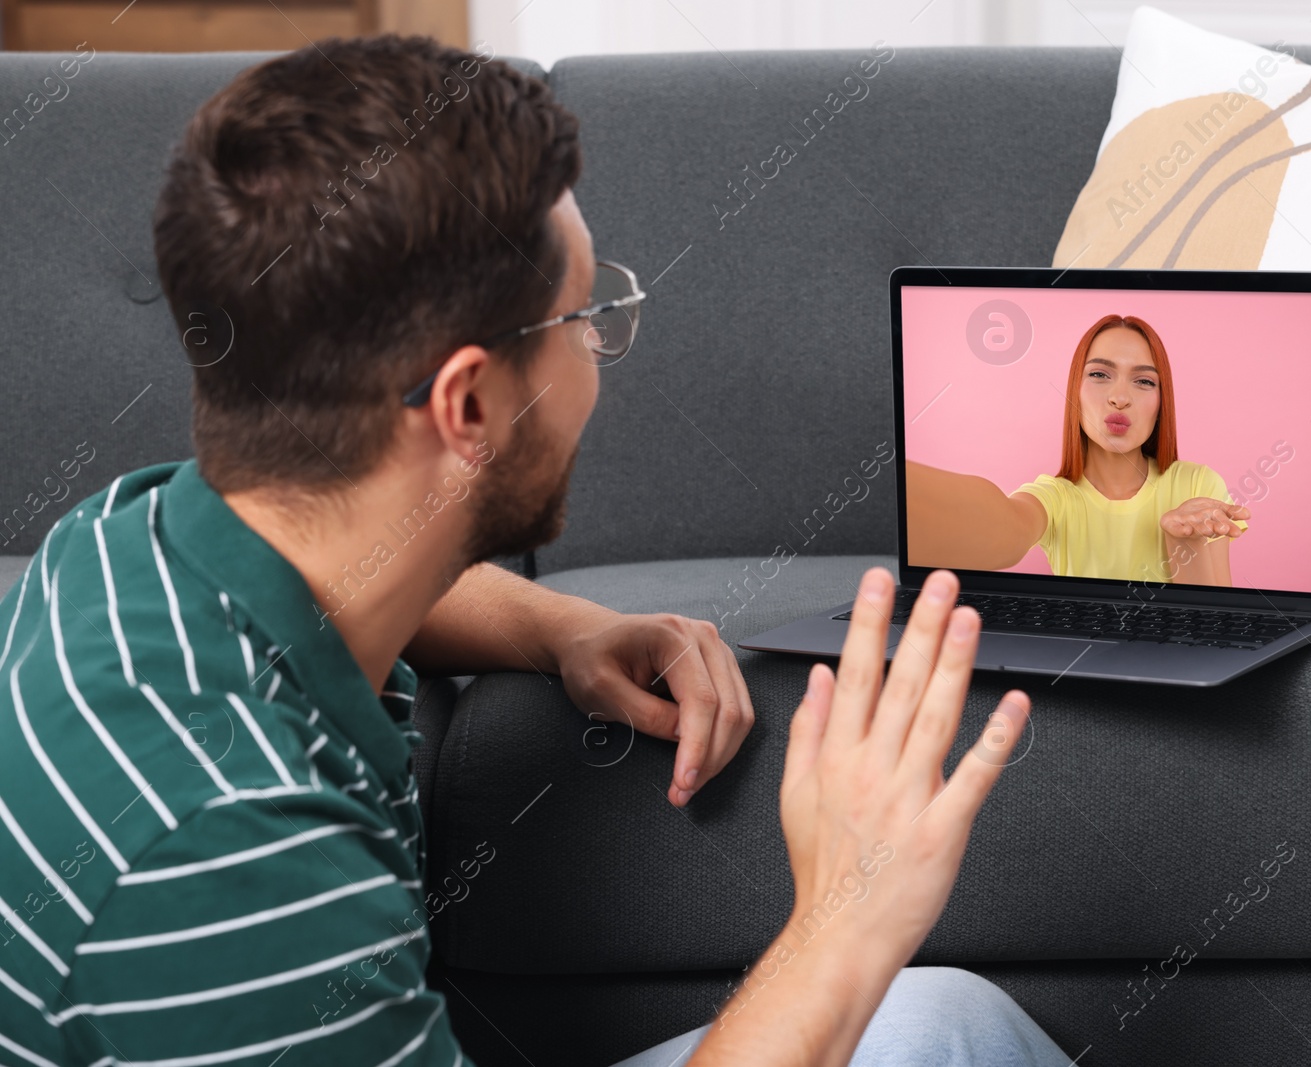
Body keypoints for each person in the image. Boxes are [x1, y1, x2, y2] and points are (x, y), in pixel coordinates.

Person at [0, 36, 1073, 1066]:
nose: (600, 348)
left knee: (943, 1025)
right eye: (585, 315)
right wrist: (847, 915)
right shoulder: (234, 854)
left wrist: (567, 627)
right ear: (467, 402)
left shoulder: (121, 540)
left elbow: (354, 579)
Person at [906, 314, 1251, 586]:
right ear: (1075, 390)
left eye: (1144, 381)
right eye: (1100, 374)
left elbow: (1215, 628)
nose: (1120, 397)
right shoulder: (1055, 498)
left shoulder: (1197, 486)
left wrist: (1184, 541)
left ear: (1162, 403)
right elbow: (1004, 526)